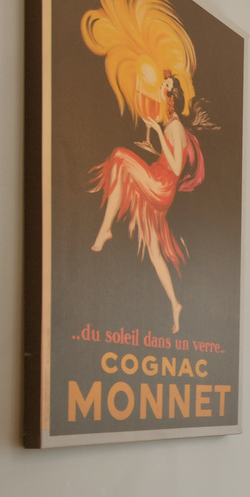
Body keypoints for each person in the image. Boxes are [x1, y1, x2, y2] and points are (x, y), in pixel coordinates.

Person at [89, 72, 204, 333]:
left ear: (172, 96)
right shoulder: (172, 125)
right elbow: (169, 158)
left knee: (119, 157)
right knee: (154, 251)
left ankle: (106, 228)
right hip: (160, 182)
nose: (162, 89)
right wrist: (156, 140)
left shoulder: (174, 126)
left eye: (166, 86)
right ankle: (175, 305)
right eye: (164, 85)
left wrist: (156, 131)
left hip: (162, 185)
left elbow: (175, 168)